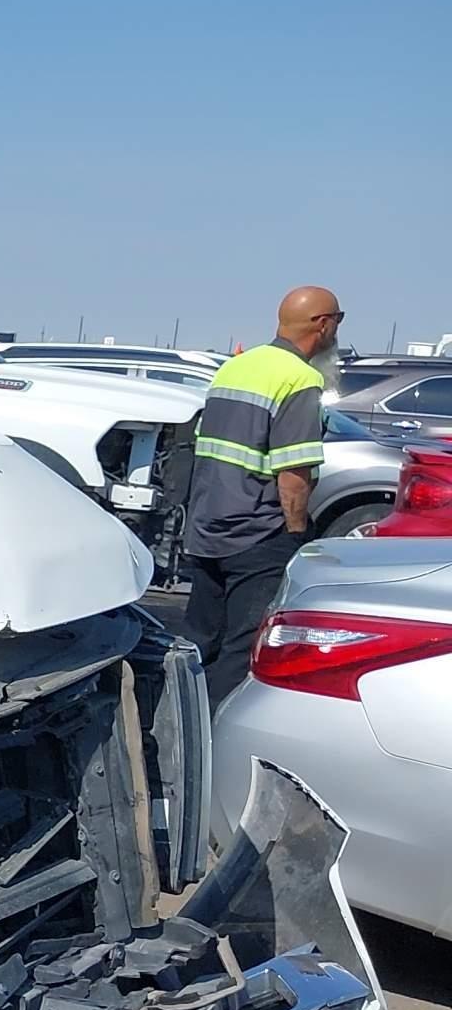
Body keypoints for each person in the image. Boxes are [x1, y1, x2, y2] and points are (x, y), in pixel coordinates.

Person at [182, 286, 339, 700]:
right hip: (256, 533)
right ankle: (214, 745)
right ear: (323, 325)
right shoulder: (300, 378)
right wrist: (295, 533)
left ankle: (166, 735)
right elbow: (293, 474)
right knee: (241, 651)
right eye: (337, 322)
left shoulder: (236, 366)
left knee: (199, 645)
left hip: (208, 526)